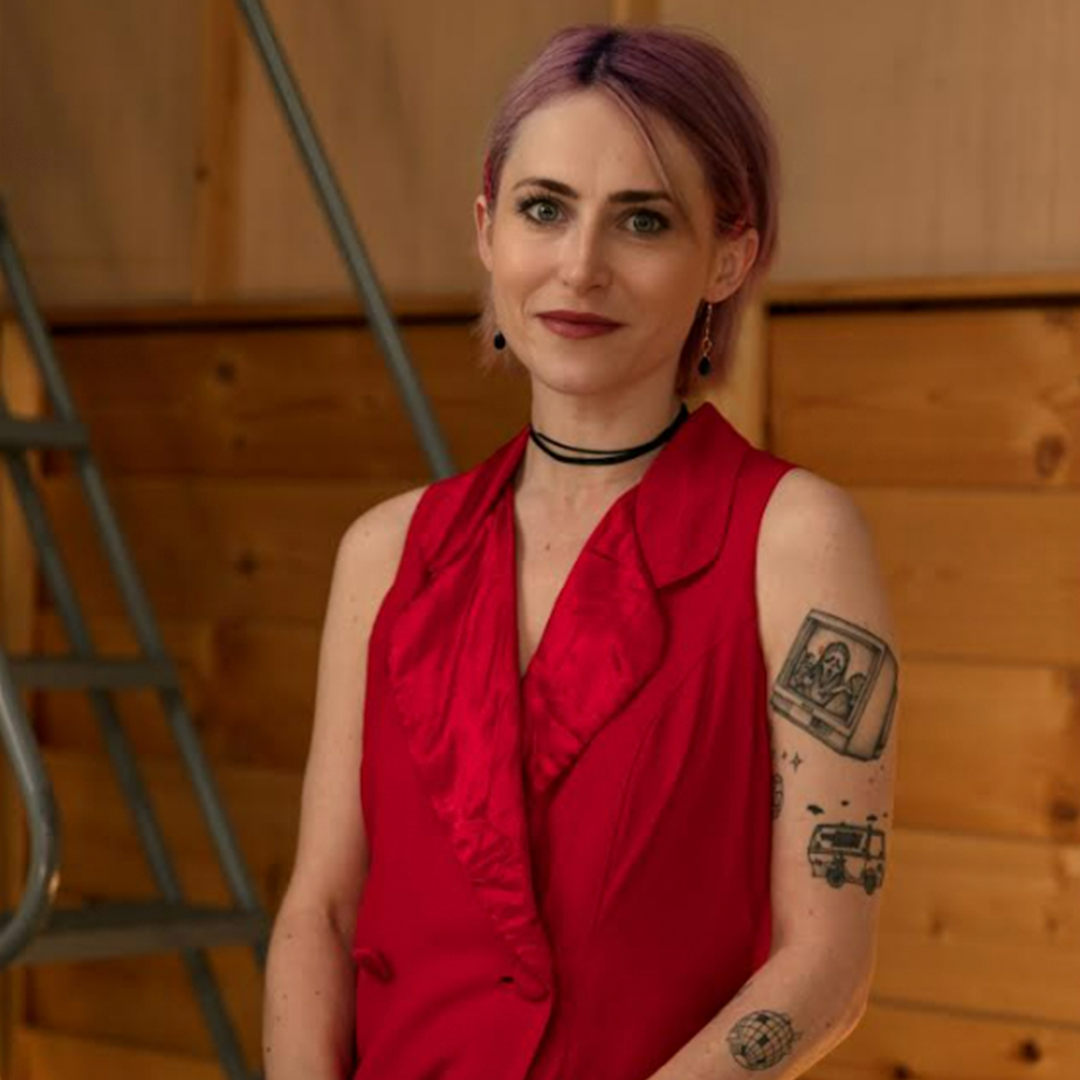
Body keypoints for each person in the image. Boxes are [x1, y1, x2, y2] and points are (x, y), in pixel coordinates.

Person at [263, 22, 900, 1080]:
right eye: (544, 209)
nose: (580, 266)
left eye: (642, 221)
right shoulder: (383, 551)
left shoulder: (796, 539)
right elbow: (318, 913)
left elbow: (829, 964)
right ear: (487, 229)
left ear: (728, 257)